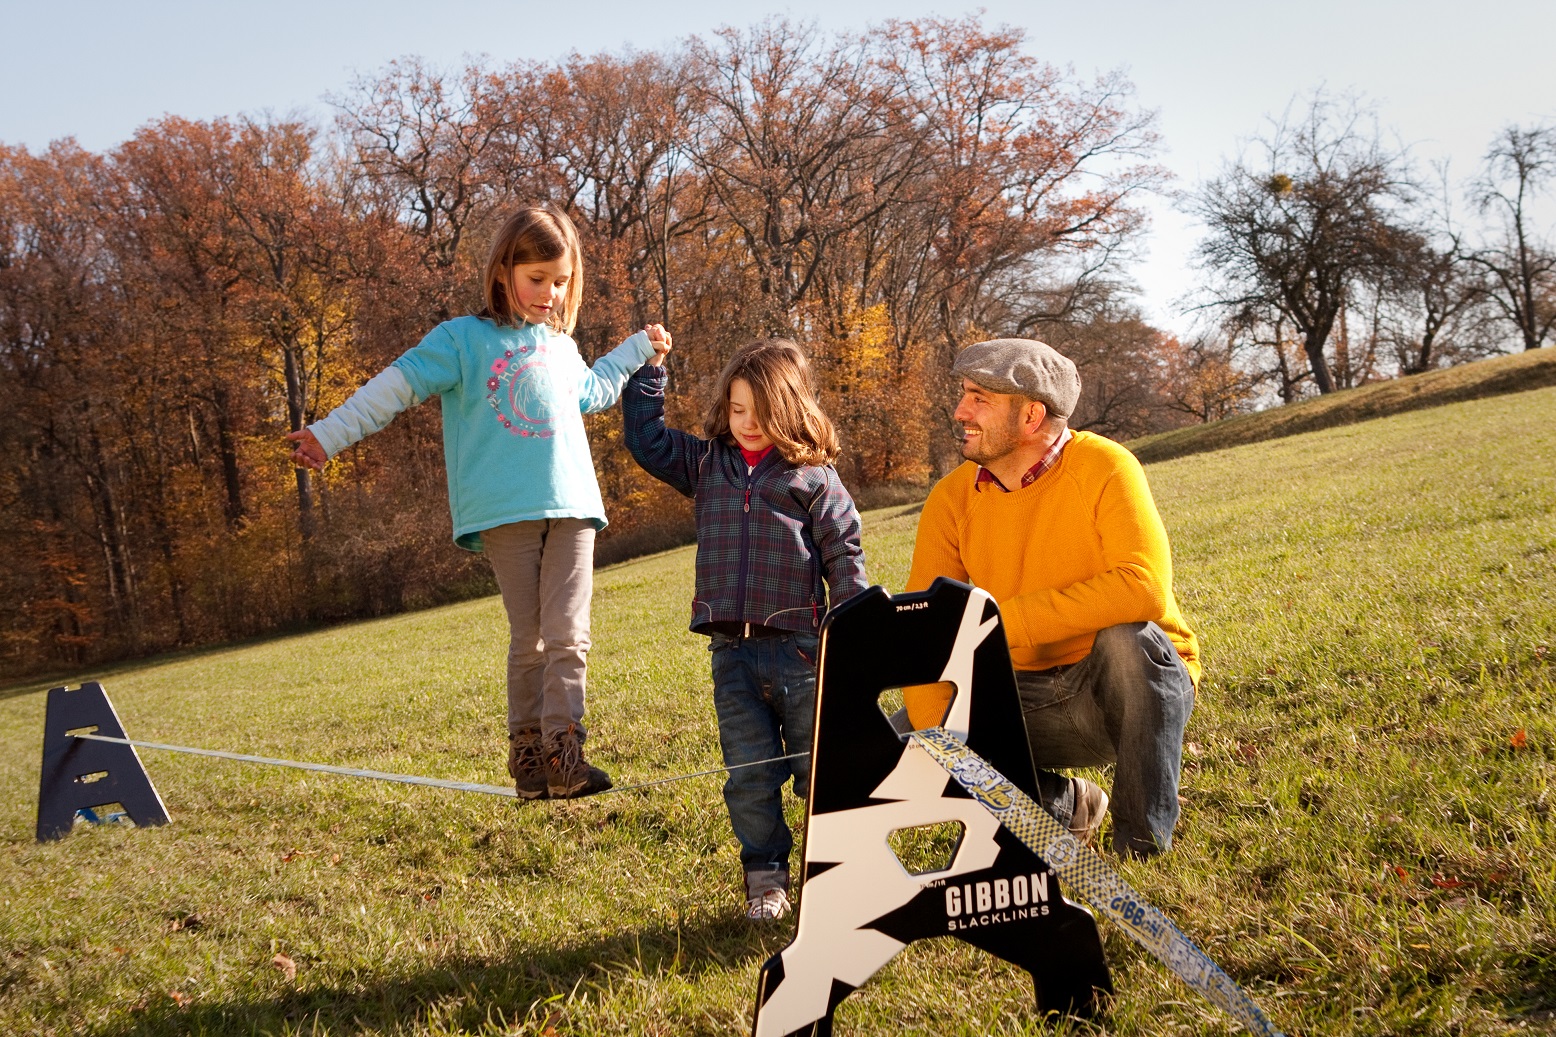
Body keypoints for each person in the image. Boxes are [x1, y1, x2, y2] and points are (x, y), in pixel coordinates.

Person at [285, 205, 671, 800]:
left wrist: (634, 350)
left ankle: (566, 754)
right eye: (536, 278)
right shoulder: (461, 340)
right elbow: (395, 387)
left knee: (569, 635)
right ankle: (529, 760)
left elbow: (593, 392)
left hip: (572, 506)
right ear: (502, 272)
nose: (550, 292)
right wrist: (328, 435)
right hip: (503, 512)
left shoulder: (561, 347)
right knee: (532, 640)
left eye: (561, 280)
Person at [903, 338, 1198, 859]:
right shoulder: (950, 499)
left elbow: (1143, 586)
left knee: (1130, 641)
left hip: (1116, 695)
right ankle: (1062, 806)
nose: (960, 411)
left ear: (1031, 415)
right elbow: (927, 629)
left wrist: (1001, 624)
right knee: (898, 748)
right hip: (1017, 697)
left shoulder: (1106, 466)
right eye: (964, 395)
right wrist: (939, 743)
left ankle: (1141, 847)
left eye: (979, 398)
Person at [622, 338, 867, 920]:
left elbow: (845, 553)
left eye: (761, 414)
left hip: (804, 656)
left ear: (792, 412)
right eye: (737, 411)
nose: (747, 425)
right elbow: (646, 441)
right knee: (749, 779)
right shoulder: (708, 465)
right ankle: (766, 882)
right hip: (733, 655)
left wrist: (850, 630)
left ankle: (839, 874)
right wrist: (649, 373)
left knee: (819, 774)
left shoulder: (812, 478)